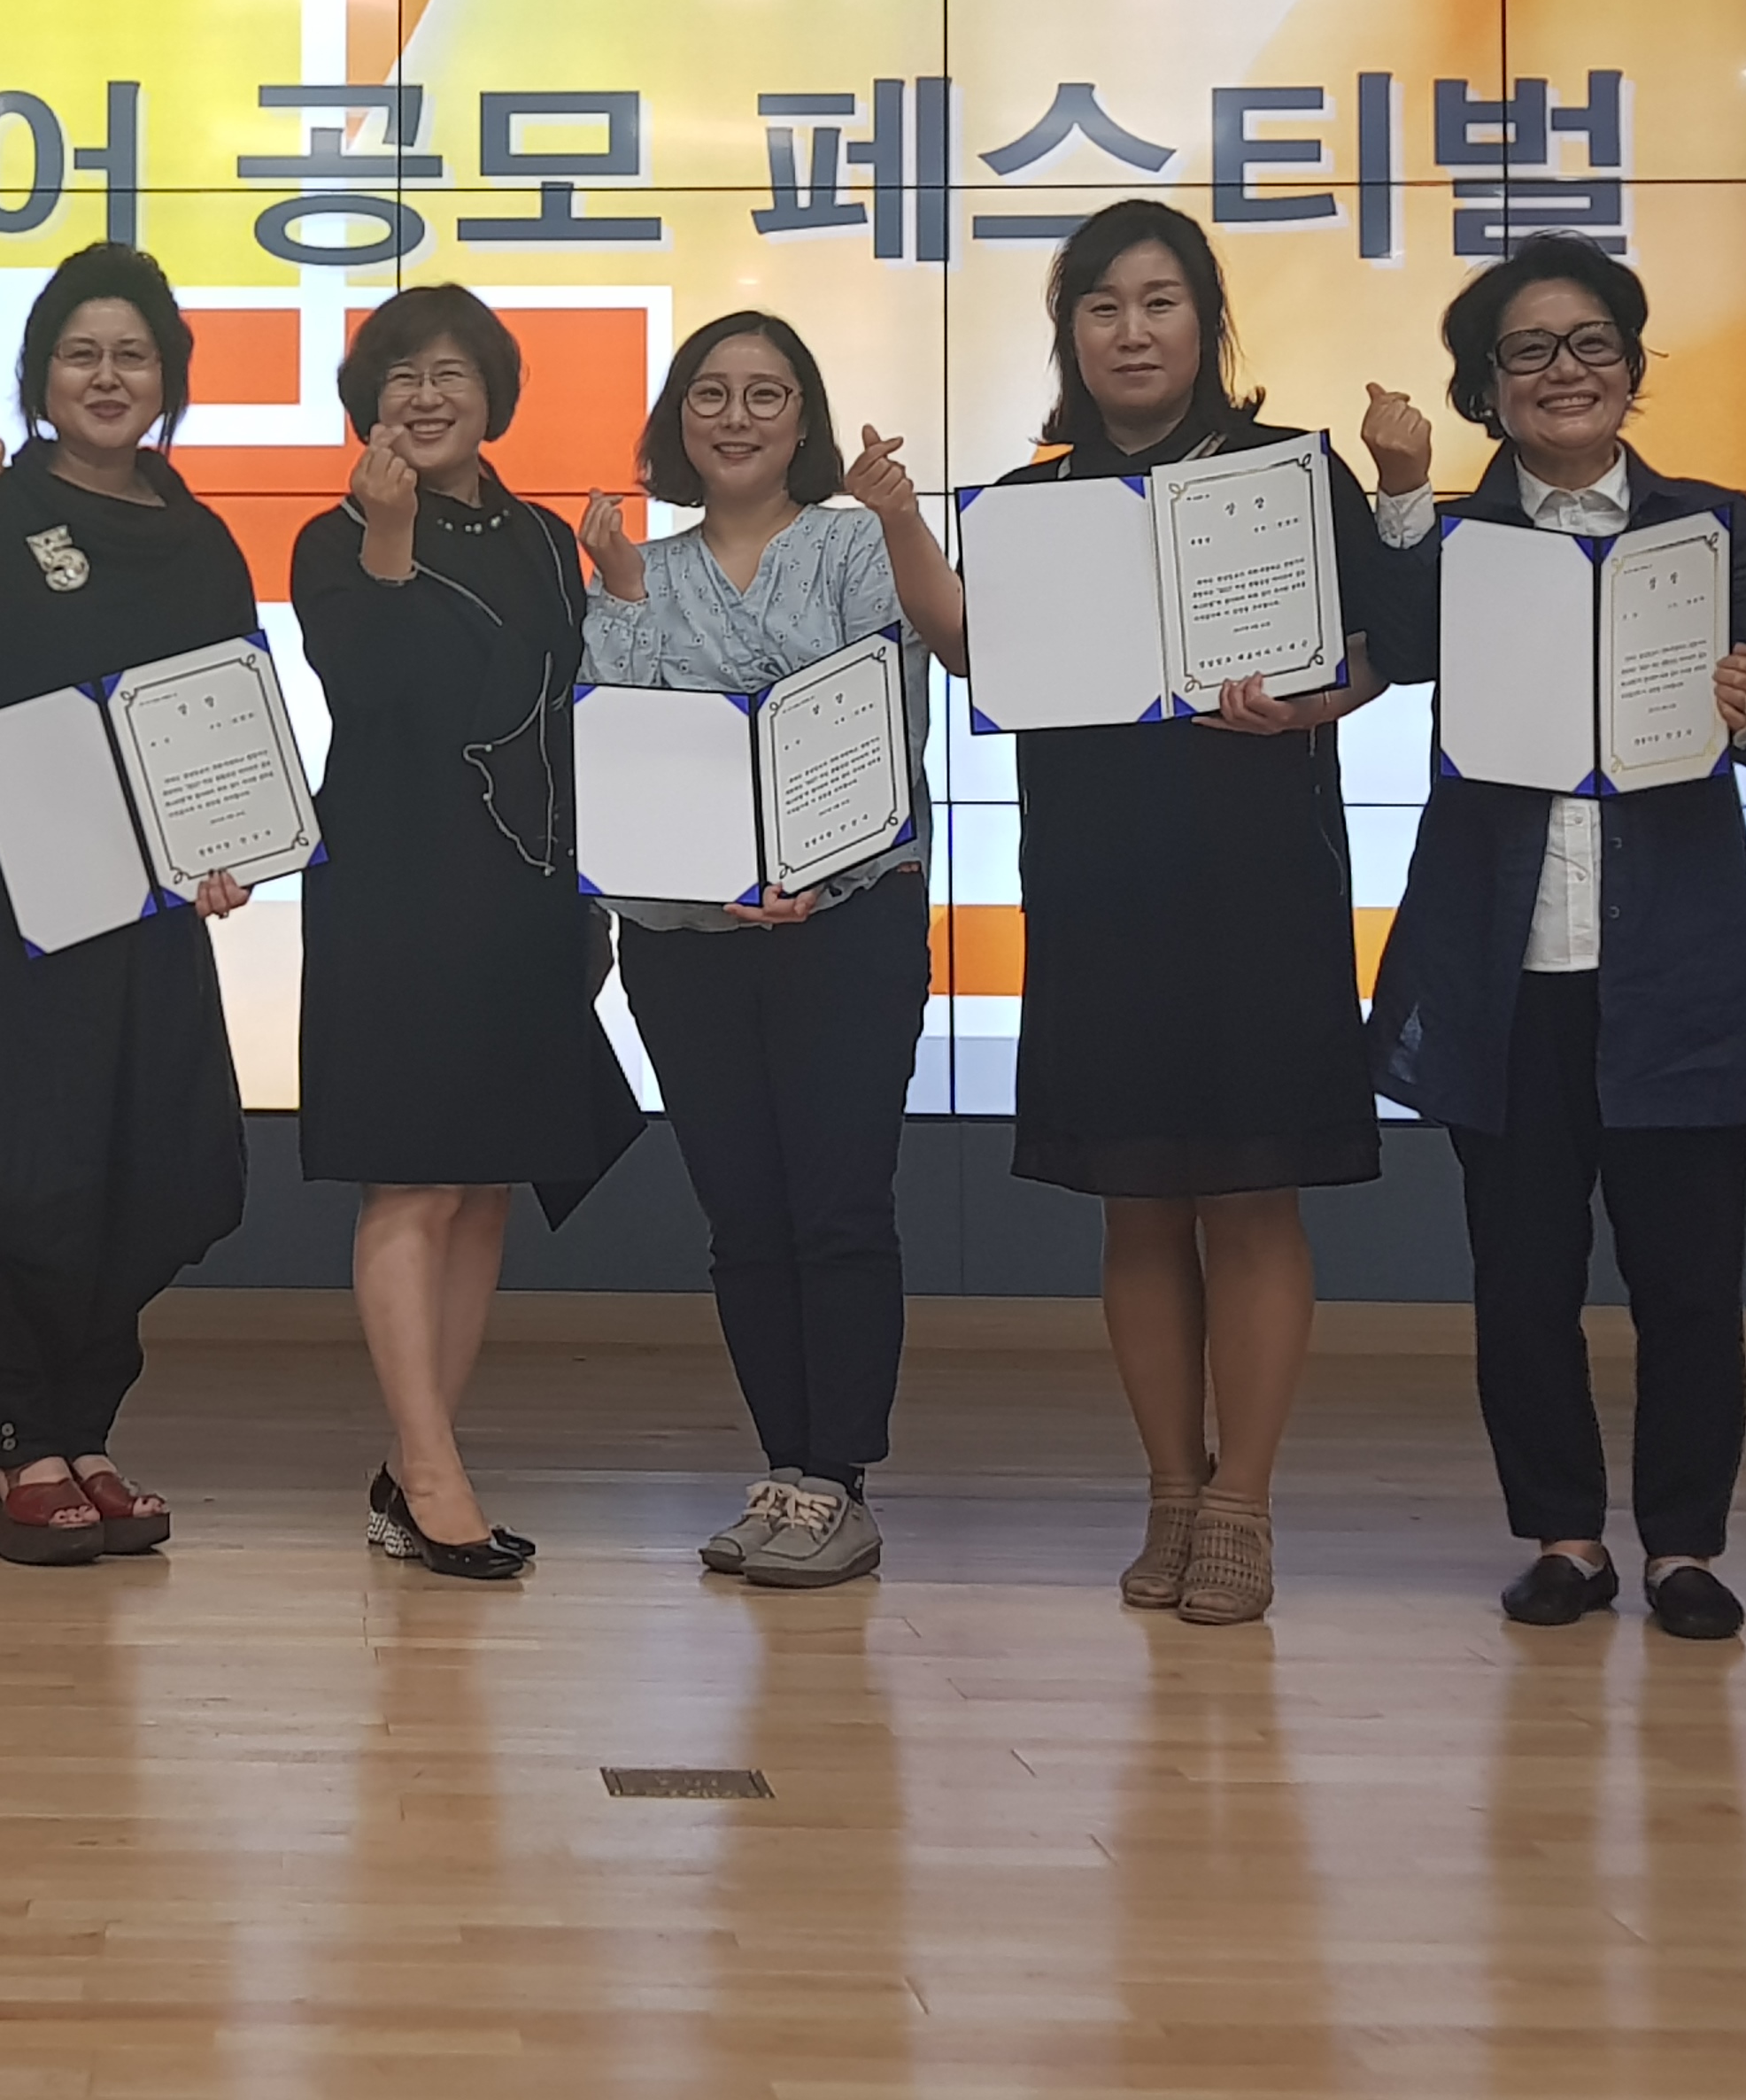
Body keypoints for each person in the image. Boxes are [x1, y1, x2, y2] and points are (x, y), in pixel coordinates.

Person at [867, 199, 1404, 1624]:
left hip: (1259, 885)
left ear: (1205, 321)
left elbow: (1379, 652)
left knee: (1253, 1196)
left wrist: (1314, 705)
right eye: (1101, 306)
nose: (1132, 330)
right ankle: (1172, 1489)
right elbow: (977, 651)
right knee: (1139, 1207)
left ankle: (1244, 1506)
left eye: (1159, 301)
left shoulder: (1293, 473)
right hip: (1100, 886)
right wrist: (901, 522)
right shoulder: (1033, 497)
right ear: (1071, 334)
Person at [1356, 235, 1746, 1642]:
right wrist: (1398, 493)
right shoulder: (1458, 538)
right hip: (1509, 974)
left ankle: (1683, 1548)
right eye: (1530, 350)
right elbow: (1399, 652)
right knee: (1522, 1282)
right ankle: (1563, 1536)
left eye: (1593, 341)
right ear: (1487, 388)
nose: (1566, 370)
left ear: (1630, 363)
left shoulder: (1710, 524)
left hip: (1676, 969)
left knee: (1691, 1285)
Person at [0, 243, 258, 1565]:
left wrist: (226, 849)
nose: (106, 376)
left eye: (132, 355)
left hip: (141, 908)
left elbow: (227, 720)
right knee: (4, 1161)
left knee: (137, 1162)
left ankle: (85, 1430)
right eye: (80, 353)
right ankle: (12, 1438)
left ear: (168, 381)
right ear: (39, 375)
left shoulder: (199, 537)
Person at [576, 312, 934, 1591]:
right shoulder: (639, 565)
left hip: (846, 924)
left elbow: (877, 719)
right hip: (686, 941)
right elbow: (623, 742)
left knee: (837, 1206)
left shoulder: (853, 543)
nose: (736, 416)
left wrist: (810, 870)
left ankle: (839, 1479)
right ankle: (787, 1473)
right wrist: (618, 590)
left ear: (805, 419)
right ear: (677, 418)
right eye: (710, 393)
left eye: (766, 394)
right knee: (741, 1216)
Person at [296, 283, 645, 1584]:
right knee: (414, 1176)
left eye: (452, 372)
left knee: (487, 1178)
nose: (427, 395)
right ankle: (434, 1475)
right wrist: (390, 542)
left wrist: (626, 590)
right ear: (368, 404)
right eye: (402, 375)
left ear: (493, 394)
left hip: (525, 891)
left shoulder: (547, 540)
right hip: (394, 885)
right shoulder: (334, 538)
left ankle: (416, 1461)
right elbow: (373, 692)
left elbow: (582, 707)